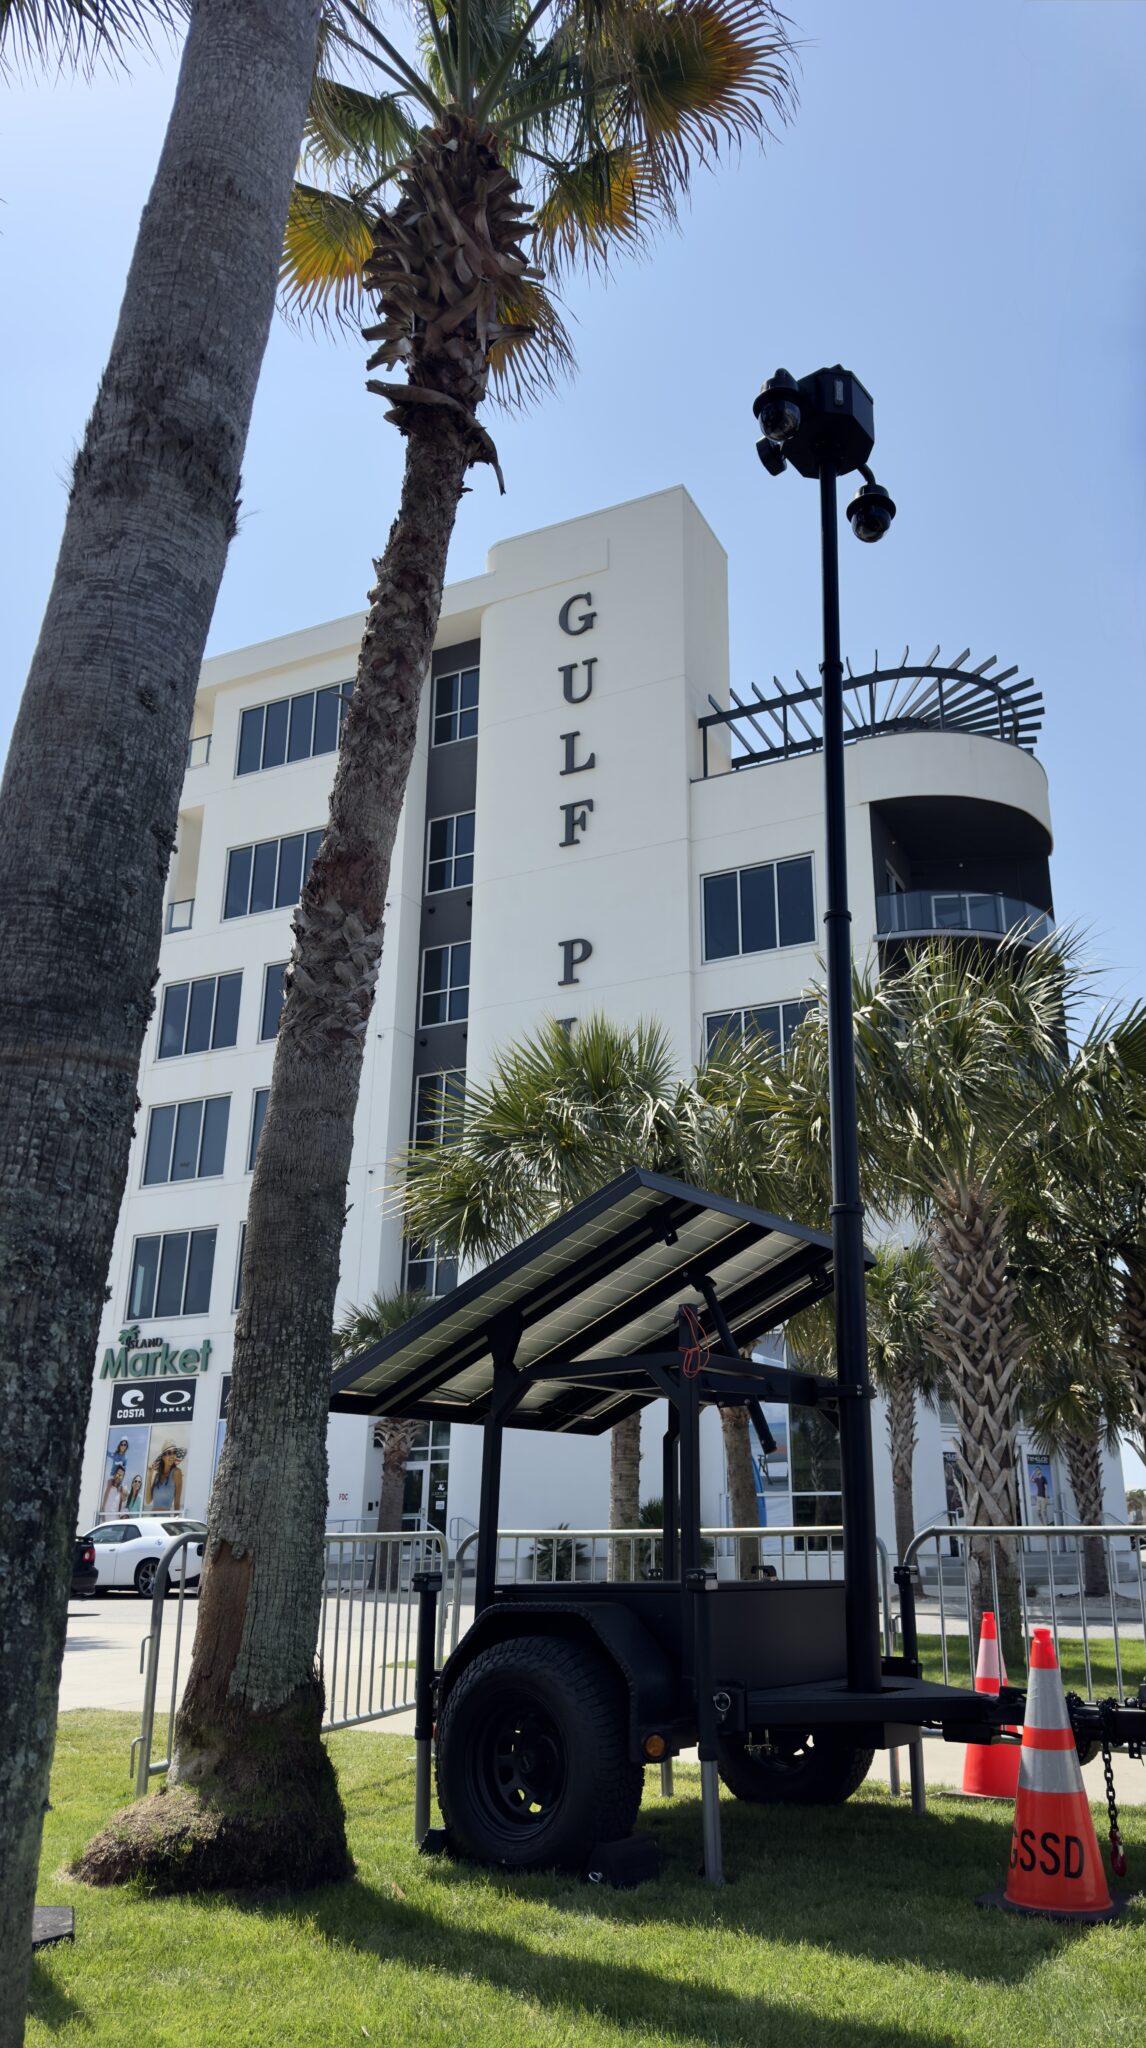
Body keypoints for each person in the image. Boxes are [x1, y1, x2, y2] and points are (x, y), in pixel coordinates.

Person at [145, 1442, 185, 1512]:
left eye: (174, 1452)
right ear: (163, 1457)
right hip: (151, 1518)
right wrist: (149, 1475)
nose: (172, 1456)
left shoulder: (176, 1473)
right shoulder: (157, 1476)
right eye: (169, 1453)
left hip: (164, 1518)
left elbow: (177, 1503)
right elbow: (148, 1500)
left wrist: (177, 1521)